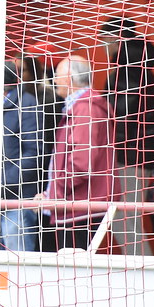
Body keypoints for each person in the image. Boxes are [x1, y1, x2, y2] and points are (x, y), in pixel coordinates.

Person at [37, 56, 120, 251]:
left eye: (56, 76)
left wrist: (54, 194)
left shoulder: (85, 109)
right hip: (79, 204)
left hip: (79, 207)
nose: (53, 81)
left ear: (68, 78)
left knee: (73, 271)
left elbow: (81, 164)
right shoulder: (84, 107)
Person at [98, 17, 154, 255]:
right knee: (125, 220)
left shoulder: (129, 71)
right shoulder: (136, 68)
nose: (102, 44)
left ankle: (141, 272)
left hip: (130, 156)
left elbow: (121, 113)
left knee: (125, 221)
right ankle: (139, 269)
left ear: (117, 39)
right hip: (136, 155)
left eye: (105, 38)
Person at [1, 60, 44, 251]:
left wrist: (5, 180)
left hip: (18, 197)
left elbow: (34, 151)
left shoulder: (27, 104)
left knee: (17, 261)